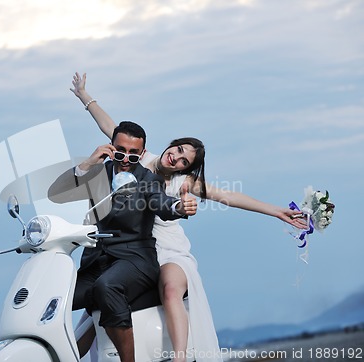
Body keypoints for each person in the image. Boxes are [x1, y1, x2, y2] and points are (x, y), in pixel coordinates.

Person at [70, 72, 307, 362]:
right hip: (128, 250)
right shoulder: (138, 158)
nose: (177, 159)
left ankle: (180, 357)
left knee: (170, 287)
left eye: (185, 161)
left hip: (166, 249)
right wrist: (84, 95)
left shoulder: (183, 182)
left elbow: (229, 197)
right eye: (179, 150)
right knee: (96, 304)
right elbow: (109, 125)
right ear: (172, 144)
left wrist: (276, 211)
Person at [49, 120, 198, 362]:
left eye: (133, 154)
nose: (126, 158)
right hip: (95, 263)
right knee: (55, 296)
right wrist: (88, 163)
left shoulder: (149, 180)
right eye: (120, 152)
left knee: (107, 286)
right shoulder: (96, 174)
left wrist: (179, 206)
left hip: (135, 261)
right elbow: (56, 194)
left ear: (142, 153)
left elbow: (163, 204)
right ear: (110, 148)